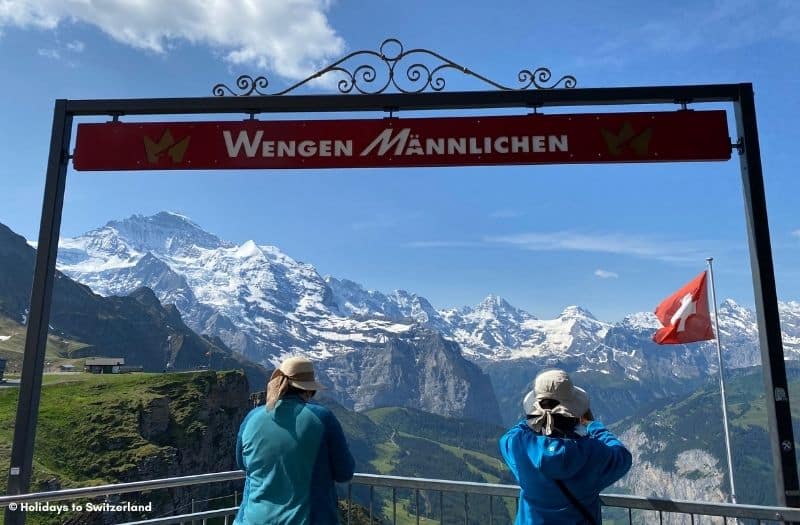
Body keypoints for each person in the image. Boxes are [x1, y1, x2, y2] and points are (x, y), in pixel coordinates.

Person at [499, 369, 632, 525]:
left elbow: (511, 434)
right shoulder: (593, 451)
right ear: (574, 412)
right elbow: (622, 456)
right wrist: (593, 425)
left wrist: (535, 417)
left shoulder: (519, 445)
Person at [234, 356, 355, 525]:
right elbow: (345, 473)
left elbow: (242, 463)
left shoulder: (252, 417)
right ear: (308, 390)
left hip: (251, 520)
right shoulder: (322, 418)